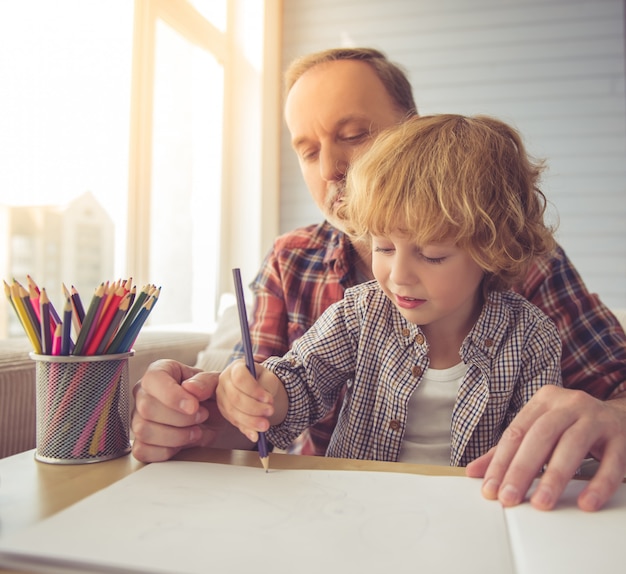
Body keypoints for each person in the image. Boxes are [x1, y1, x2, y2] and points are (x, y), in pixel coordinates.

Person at [131, 47, 626, 512]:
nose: (330, 169)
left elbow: (566, 420)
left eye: (353, 135)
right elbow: (271, 394)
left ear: (411, 134)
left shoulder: (524, 275)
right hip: (339, 510)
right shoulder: (304, 269)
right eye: (307, 150)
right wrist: (206, 410)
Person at [216, 113, 563, 466]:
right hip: (356, 505)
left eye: (431, 255)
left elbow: (539, 450)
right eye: (383, 248)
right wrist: (268, 391)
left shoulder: (531, 339)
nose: (399, 276)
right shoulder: (360, 314)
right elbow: (302, 381)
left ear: (492, 250)